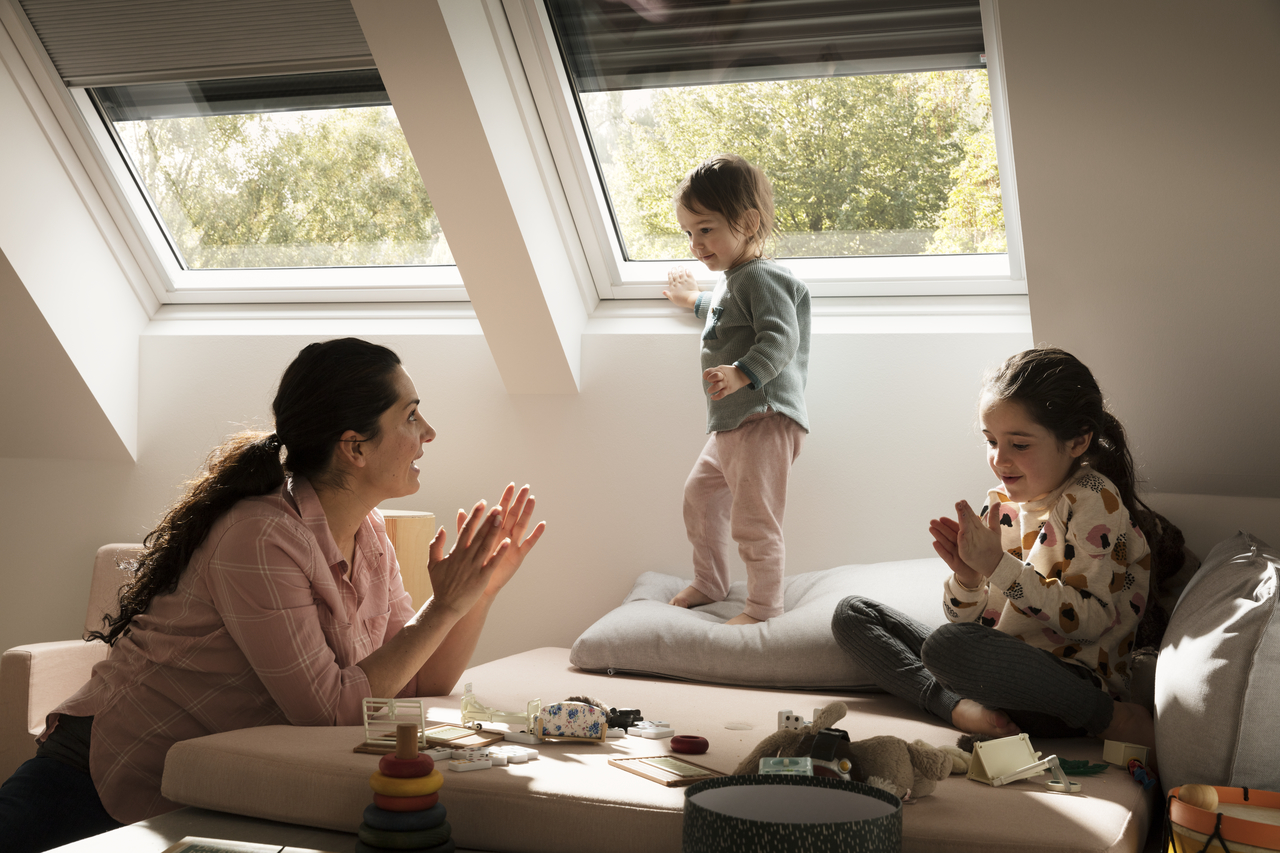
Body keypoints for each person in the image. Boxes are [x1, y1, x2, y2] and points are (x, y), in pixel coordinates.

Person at [0, 338, 544, 852]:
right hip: (102, 768)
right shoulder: (261, 535)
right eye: (410, 415)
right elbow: (329, 714)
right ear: (353, 447)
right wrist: (444, 605)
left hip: (199, 779)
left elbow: (421, 679)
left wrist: (479, 591)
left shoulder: (370, 533)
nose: (428, 432)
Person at [831, 347, 1157, 749]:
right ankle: (961, 708)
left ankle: (1110, 718)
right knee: (853, 614)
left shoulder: (1092, 499)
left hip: (1067, 682)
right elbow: (967, 625)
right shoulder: (1001, 503)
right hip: (996, 669)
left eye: (1019, 445)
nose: (1000, 460)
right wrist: (968, 580)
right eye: (990, 441)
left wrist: (997, 566)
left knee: (946, 648)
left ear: (1077, 442)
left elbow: (1089, 621)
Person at [662, 153, 810, 625]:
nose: (695, 244)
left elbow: (781, 337)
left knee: (754, 520)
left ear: (747, 223)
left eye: (705, 229)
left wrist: (742, 372)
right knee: (699, 497)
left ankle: (765, 608)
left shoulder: (763, 277)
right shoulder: (735, 280)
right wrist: (694, 302)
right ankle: (710, 581)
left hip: (763, 417)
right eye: (688, 233)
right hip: (732, 422)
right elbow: (726, 312)